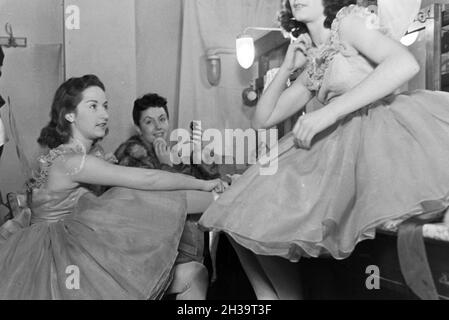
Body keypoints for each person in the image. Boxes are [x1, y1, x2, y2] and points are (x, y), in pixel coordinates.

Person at [199, 0, 449, 300]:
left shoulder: (350, 22)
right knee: (236, 217)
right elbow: (262, 119)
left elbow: (404, 64)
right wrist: (287, 69)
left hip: (381, 135)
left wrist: (329, 113)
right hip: (339, 147)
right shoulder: (317, 58)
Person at [0, 74, 226, 299]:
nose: (104, 114)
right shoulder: (74, 161)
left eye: (105, 106)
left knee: (195, 273)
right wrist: (204, 184)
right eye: (93, 106)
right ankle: (223, 202)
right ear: (69, 114)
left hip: (65, 253)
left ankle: (221, 202)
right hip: (62, 261)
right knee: (192, 269)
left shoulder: (76, 156)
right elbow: (149, 179)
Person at [114, 93, 224, 297]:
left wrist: (199, 157)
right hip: (146, 252)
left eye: (162, 119)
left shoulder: (169, 151)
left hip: (174, 249)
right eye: (149, 122)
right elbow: (163, 201)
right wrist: (167, 166)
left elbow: (205, 185)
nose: (158, 127)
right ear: (138, 128)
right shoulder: (132, 154)